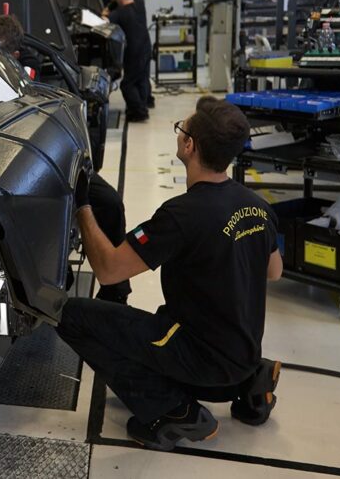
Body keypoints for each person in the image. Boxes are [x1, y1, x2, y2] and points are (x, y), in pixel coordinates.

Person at [57, 97, 283, 451]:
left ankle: (174, 412)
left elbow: (109, 269)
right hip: (241, 354)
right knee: (159, 326)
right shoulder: (257, 206)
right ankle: (251, 383)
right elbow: (274, 271)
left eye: (182, 129)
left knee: (71, 317)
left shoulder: (181, 216)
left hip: (200, 358)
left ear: (188, 145)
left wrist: (83, 205)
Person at [0, 14, 131, 304]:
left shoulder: (31, 75)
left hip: (49, 159)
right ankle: (55, 286)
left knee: (110, 204)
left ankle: (116, 289)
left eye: (2, 53)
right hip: (2, 167)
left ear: (15, 53)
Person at [104, 0, 152, 121]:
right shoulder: (139, 5)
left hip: (133, 53)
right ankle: (141, 105)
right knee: (142, 80)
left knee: (127, 84)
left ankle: (139, 111)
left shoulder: (118, 14)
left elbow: (104, 22)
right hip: (145, 48)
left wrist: (106, 11)